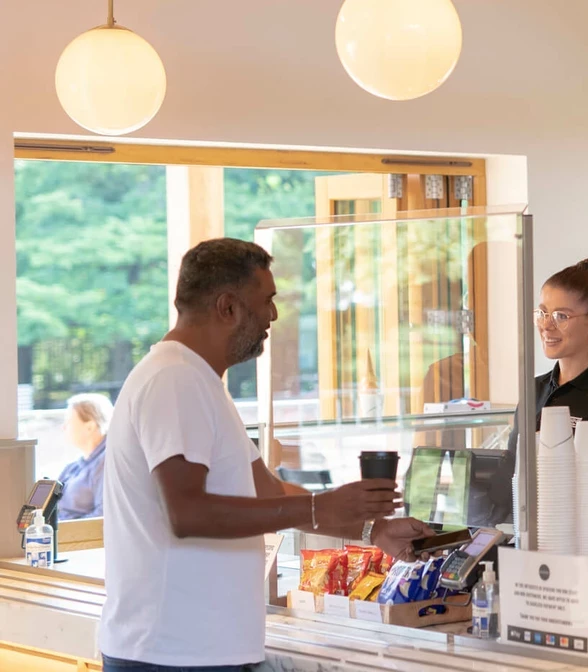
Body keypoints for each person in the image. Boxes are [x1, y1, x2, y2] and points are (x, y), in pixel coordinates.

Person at [99, 239, 435, 672]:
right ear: (228, 308)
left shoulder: (199, 382)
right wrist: (318, 504)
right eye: (267, 300)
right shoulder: (175, 380)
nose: (273, 316)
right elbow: (186, 513)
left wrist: (373, 529)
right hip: (171, 654)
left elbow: (268, 491)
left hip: (195, 651)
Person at [491, 259, 588, 566]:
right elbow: (511, 476)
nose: (546, 325)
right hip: (538, 558)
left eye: (561, 316)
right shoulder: (533, 392)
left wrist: (564, 454)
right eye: (542, 312)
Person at [55, 393, 112, 520]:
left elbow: (102, 516)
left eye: (68, 421)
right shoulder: (73, 467)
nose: (63, 427)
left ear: (90, 426)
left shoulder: (107, 463)